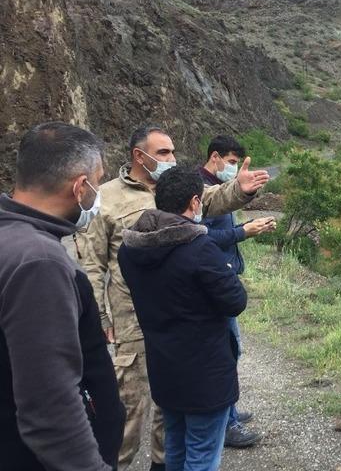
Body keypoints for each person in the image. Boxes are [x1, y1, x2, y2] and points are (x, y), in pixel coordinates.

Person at [76, 125, 269, 471]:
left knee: (171, 409)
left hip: (177, 321)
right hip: (133, 320)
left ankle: (162, 465)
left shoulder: (173, 189)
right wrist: (101, 318)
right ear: (139, 155)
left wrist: (239, 190)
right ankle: (112, 463)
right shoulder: (107, 198)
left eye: (173, 152)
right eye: (163, 152)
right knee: (130, 407)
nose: (172, 159)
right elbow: (91, 264)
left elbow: (209, 200)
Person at [0, 122, 125, 470]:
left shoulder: (11, 239)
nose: (97, 195)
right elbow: (49, 406)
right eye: (98, 182)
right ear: (80, 187)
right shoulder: (38, 262)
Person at [118, 166, 247, 471]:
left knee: (175, 447)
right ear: (193, 202)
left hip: (165, 369)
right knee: (202, 455)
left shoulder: (130, 248)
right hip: (206, 376)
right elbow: (236, 301)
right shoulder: (199, 249)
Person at [199, 135, 275, 448]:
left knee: (231, 351)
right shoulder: (200, 191)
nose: (234, 169)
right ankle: (226, 424)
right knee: (224, 355)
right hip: (212, 283)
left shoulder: (221, 189)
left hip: (224, 278)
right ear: (214, 157)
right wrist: (245, 231)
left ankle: (228, 411)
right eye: (231, 162)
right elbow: (200, 238)